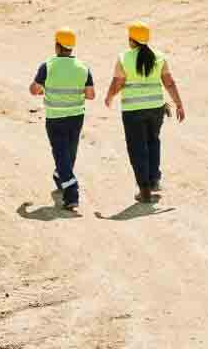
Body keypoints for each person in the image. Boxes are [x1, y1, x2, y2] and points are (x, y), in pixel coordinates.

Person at [104, 22, 185, 203]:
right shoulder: (159, 56)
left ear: (131, 40)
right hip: (156, 108)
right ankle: (154, 178)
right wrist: (179, 103)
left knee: (137, 148)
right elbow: (169, 82)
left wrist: (109, 96)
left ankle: (145, 190)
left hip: (133, 110)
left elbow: (118, 83)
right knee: (153, 141)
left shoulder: (124, 57)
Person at [30, 28, 96, 211]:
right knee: (70, 150)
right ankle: (61, 176)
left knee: (60, 152)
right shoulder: (83, 67)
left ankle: (71, 192)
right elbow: (90, 95)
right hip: (76, 117)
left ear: (57, 46)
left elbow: (34, 90)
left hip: (55, 117)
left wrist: (47, 90)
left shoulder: (48, 66)